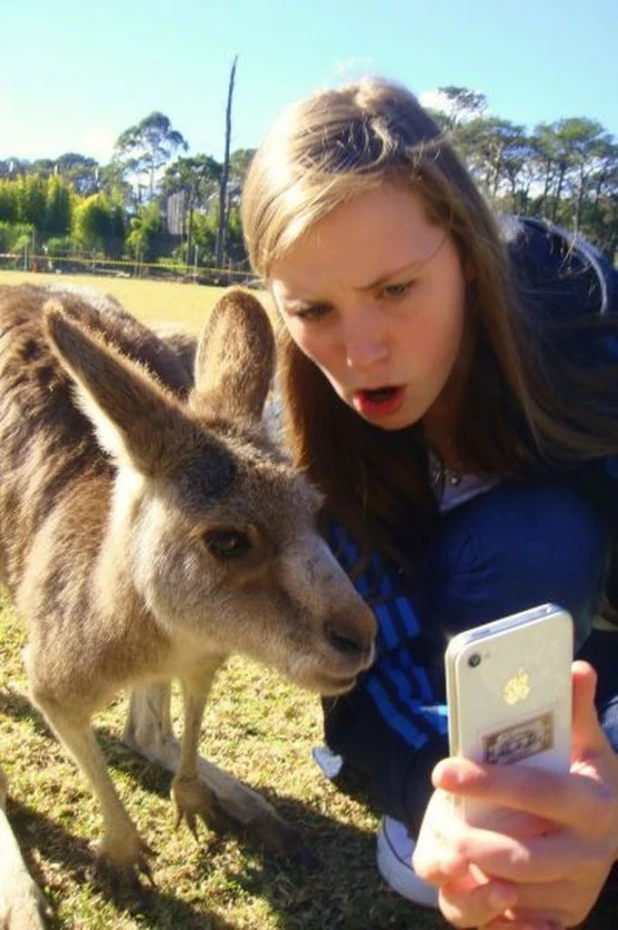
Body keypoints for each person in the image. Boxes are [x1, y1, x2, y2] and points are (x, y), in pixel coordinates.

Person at [240, 75, 618, 928]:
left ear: (466, 246)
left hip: (594, 632)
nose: (362, 351)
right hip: (439, 667)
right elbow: (354, 655)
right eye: (313, 309)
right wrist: (434, 786)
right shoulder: (298, 430)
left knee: (543, 534)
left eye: (397, 289)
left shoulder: (581, 328)